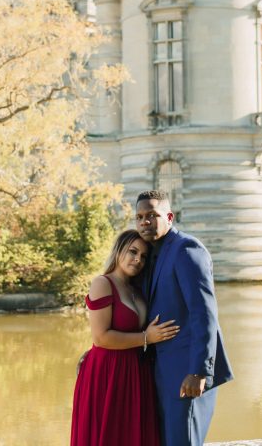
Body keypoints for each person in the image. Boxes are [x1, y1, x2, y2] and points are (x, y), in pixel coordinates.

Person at [135, 190, 233, 446]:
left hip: (186, 373)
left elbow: (204, 313)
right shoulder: (149, 255)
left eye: (152, 215)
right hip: (160, 371)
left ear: (169, 216)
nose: (145, 221)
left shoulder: (186, 249)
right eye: (139, 216)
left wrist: (199, 371)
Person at [71, 229, 180, 446]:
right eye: (133, 251)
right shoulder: (102, 283)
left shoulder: (136, 289)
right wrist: (147, 337)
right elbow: (101, 337)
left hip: (135, 370)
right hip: (108, 373)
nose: (138, 259)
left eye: (143, 256)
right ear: (119, 250)